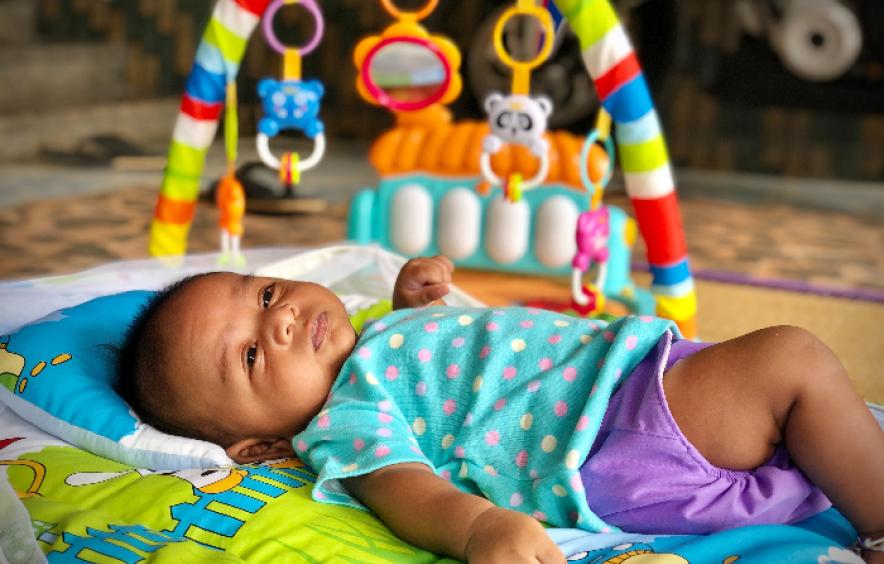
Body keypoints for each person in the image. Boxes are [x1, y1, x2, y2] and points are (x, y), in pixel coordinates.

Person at [117, 256, 884, 563]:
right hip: (613, 424)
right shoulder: (344, 417)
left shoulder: (371, 344)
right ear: (255, 445)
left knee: (807, 414)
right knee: (794, 359)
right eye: (251, 355)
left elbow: (440, 374)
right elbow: (405, 483)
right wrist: (483, 527)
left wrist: (408, 308)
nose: (279, 320)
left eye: (266, 294)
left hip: (632, 389)